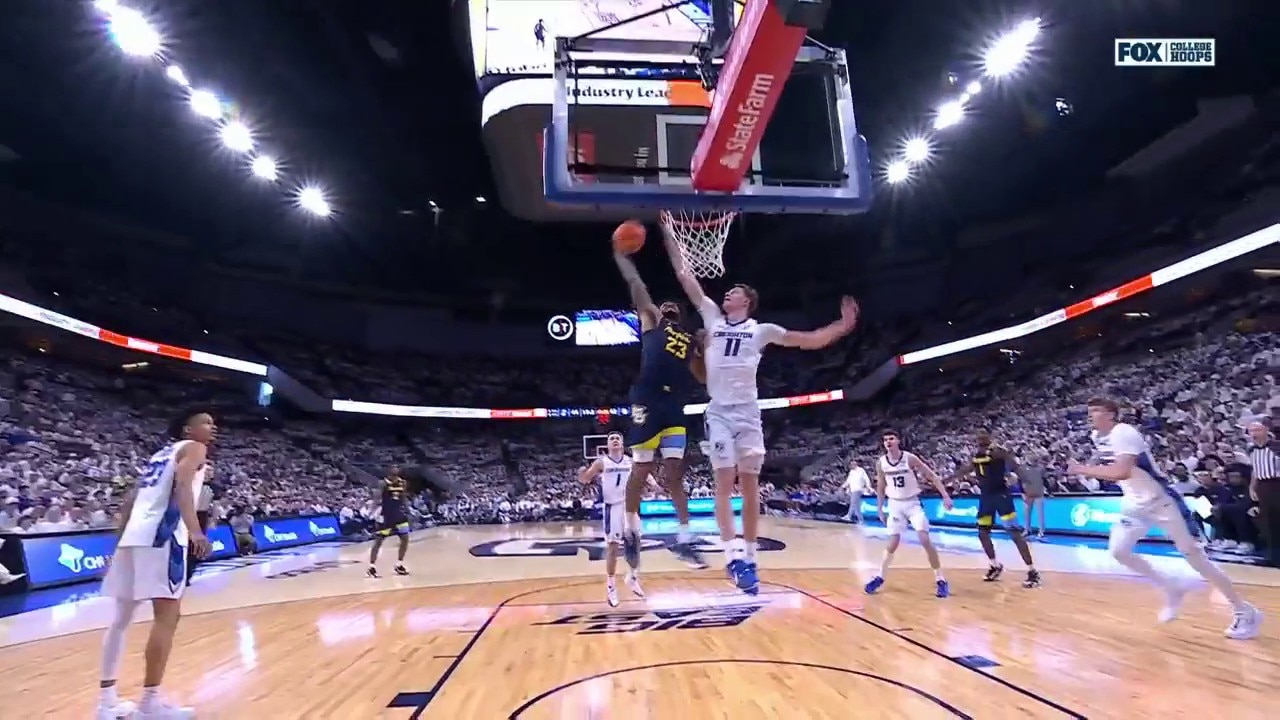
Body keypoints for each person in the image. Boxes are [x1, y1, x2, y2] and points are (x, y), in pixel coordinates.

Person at [667, 232, 859, 594]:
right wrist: (670, 232)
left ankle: (751, 558)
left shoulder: (761, 330)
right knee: (724, 483)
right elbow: (684, 276)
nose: (727, 294)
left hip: (748, 414)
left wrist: (841, 327)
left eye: (734, 291)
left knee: (750, 485)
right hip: (719, 412)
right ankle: (732, 556)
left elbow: (808, 340)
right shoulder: (712, 318)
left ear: (747, 302)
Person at [1068, 397, 1261, 638]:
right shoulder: (1097, 437)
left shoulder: (1123, 432)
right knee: (1119, 551)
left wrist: (1082, 469)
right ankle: (1172, 586)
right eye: (1089, 410)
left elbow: (1121, 471)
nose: (1090, 414)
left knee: (1195, 558)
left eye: (1096, 410)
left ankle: (1244, 611)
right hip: (1134, 503)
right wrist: (1090, 466)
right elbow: (1110, 463)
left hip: (1162, 501)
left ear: (1111, 414)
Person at [96, 409, 215, 720]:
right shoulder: (195, 448)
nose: (212, 427)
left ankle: (106, 702)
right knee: (167, 617)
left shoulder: (159, 455)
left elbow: (132, 500)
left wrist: (119, 544)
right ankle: (149, 703)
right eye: (206, 422)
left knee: (120, 619)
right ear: (187, 429)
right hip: (162, 537)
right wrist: (196, 531)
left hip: (134, 536)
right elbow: (182, 488)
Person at [612, 245, 707, 572]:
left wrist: (703, 349)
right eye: (663, 304)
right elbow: (637, 285)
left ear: (681, 314)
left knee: (674, 475)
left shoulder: (689, 341)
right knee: (641, 469)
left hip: (674, 405)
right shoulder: (651, 320)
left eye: (673, 305)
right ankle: (630, 530)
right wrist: (623, 258)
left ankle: (685, 538)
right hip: (647, 399)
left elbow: (703, 378)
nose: (667, 306)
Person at [864, 430, 953, 598]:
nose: (888, 442)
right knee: (892, 543)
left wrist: (945, 496)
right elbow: (881, 486)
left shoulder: (909, 458)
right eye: (885, 439)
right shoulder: (881, 463)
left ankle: (941, 579)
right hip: (895, 504)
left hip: (912, 503)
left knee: (924, 540)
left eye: (891, 438)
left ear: (898, 441)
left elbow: (931, 476)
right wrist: (879, 508)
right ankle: (880, 577)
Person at [948, 430, 1040, 588]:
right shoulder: (977, 456)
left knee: (1014, 533)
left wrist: (1025, 487)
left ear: (989, 438)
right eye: (977, 437)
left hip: (1001, 495)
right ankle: (995, 565)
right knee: (982, 533)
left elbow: (1016, 467)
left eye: (983, 436)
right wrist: (943, 480)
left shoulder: (998, 452)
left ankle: (1032, 571)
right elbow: (964, 470)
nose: (980, 439)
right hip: (986, 497)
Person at [578, 432, 645, 606]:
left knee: (635, 543)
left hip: (629, 507)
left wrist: (654, 484)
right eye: (611, 439)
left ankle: (632, 577)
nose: (615, 440)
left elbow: (644, 475)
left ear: (622, 444)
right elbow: (585, 479)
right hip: (612, 507)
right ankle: (611, 587)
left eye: (617, 439)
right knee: (613, 548)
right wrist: (582, 474)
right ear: (607, 445)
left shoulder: (630, 461)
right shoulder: (601, 462)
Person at [368, 466, 411, 578]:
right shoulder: (383, 484)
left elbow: (403, 497)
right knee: (378, 541)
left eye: (397, 472)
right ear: (389, 474)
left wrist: (408, 510)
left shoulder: (403, 483)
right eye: (393, 473)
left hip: (399, 515)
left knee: (405, 538)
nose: (395, 475)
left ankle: (399, 564)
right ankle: (371, 567)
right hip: (386, 516)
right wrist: (372, 512)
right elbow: (377, 499)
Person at [1016, 451, 1047, 539]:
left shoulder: (1041, 468)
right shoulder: (1022, 468)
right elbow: (1019, 481)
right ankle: (1027, 530)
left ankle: (1041, 531)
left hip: (1039, 492)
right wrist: (1022, 492)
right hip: (1027, 493)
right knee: (1026, 513)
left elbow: (1044, 479)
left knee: (1040, 513)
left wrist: (1049, 490)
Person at [842, 458, 869, 524]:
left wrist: (868, 486)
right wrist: (843, 486)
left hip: (858, 489)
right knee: (857, 506)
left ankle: (849, 516)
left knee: (853, 502)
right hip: (852, 489)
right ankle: (861, 520)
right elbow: (848, 481)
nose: (851, 466)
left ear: (855, 464)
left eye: (852, 464)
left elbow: (866, 479)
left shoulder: (861, 470)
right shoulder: (851, 472)